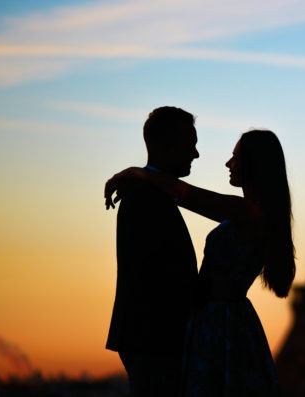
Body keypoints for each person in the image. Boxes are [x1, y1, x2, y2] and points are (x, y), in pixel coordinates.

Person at [105, 129, 296, 396]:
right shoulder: (253, 214)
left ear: (253, 165)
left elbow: (181, 192)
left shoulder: (246, 212)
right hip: (228, 319)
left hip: (219, 321)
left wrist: (133, 172)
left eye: (236, 157)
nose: (229, 164)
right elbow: (182, 195)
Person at [105, 106, 201, 397]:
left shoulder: (145, 192)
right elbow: (158, 277)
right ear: (166, 145)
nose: (195, 154)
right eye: (190, 144)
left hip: (151, 338)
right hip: (157, 340)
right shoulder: (145, 196)